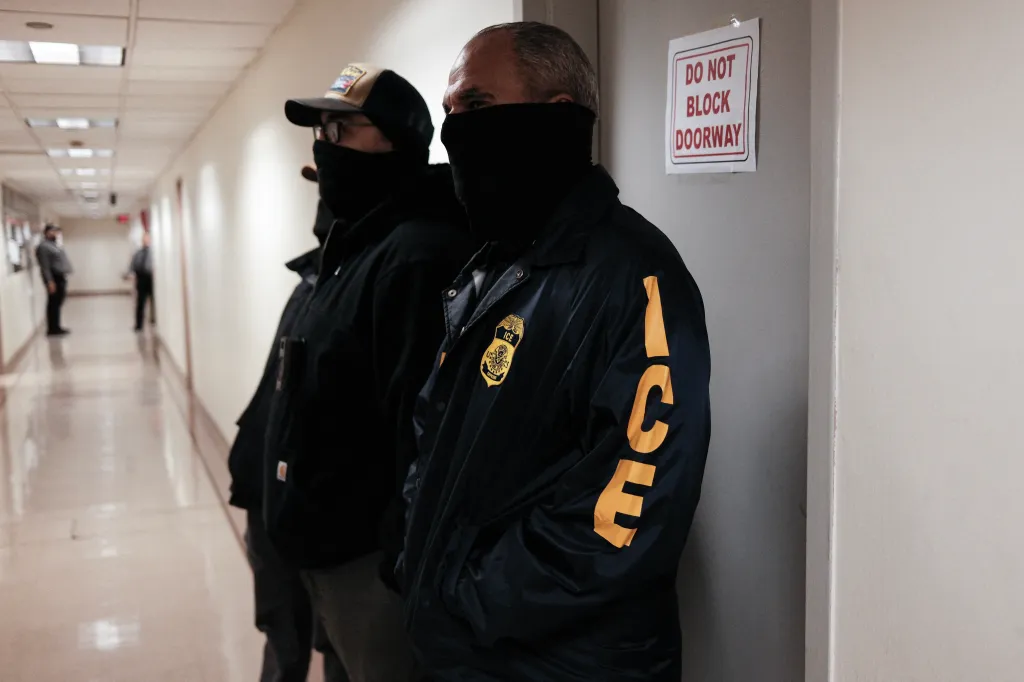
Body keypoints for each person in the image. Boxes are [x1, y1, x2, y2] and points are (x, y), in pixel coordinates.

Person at [399, 22, 712, 681]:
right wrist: (417, 550)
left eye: (477, 106)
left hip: (562, 662)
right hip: (471, 649)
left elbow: (627, 510)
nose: (456, 131)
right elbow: (437, 430)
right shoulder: (491, 268)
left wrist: (468, 593)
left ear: (558, 118)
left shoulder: (636, 277)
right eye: (449, 111)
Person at [263, 64, 477, 682]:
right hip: (327, 554)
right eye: (320, 130)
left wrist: (395, 562)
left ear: (399, 143)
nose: (324, 145)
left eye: (342, 130)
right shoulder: (356, 247)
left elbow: (426, 427)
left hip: (371, 569)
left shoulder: (418, 256)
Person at [228, 166, 349, 682]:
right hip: (267, 488)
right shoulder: (313, 279)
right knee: (283, 634)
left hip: (328, 508)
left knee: (339, 643)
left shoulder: (392, 272)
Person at [36, 224, 73, 336]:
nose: (56, 234)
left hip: (60, 277)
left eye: (57, 232)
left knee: (57, 303)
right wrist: (50, 281)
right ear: (47, 232)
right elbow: (45, 266)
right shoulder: (43, 247)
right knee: (53, 303)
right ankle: (52, 329)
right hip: (54, 278)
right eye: (54, 231)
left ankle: (56, 326)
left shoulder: (54, 245)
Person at [126, 233, 155, 332]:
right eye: (144, 239)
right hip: (141, 279)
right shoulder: (138, 253)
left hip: (151, 279)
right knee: (140, 303)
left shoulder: (153, 252)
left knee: (153, 301)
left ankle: (154, 320)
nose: (146, 240)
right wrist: (131, 274)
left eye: (148, 239)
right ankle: (139, 325)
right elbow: (132, 265)